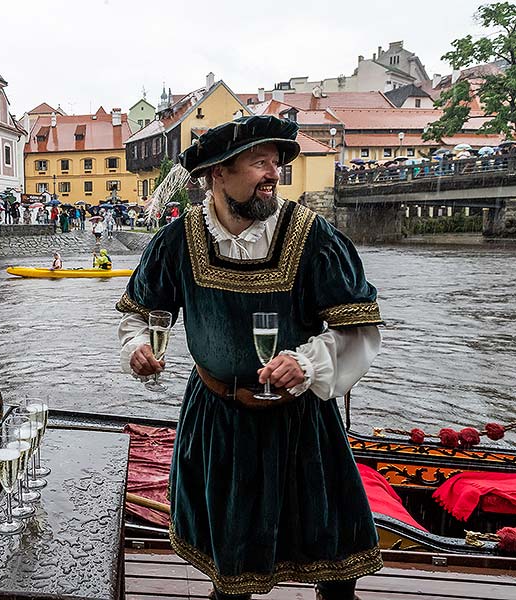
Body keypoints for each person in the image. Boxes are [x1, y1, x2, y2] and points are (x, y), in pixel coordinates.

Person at [117, 115, 382, 600]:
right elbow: (141, 315)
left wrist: (307, 362)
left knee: (335, 570)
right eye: (259, 162)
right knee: (230, 569)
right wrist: (137, 348)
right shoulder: (179, 239)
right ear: (217, 173)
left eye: (276, 163)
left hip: (299, 423)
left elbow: (359, 328)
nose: (272, 174)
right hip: (219, 420)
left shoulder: (313, 237)